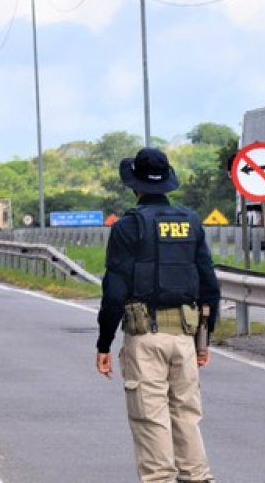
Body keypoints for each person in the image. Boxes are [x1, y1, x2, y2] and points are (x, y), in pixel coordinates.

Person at [95, 147, 221, 483]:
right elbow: (210, 286)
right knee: (186, 416)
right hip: (184, 338)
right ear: (167, 182)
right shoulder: (190, 222)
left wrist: (104, 344)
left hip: (144, 338)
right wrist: (203, 343)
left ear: (134, 185)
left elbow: (114, 293)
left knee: (151, 420)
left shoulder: (127, 227)